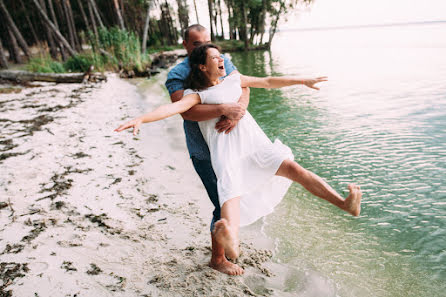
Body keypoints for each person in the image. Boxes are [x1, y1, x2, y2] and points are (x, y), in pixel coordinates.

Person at [115, 43, 363, 276]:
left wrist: (301, 80)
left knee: (296, 170)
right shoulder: (195, 95)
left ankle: (344, 204)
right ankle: (230, 247)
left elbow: (267, 81)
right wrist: (142, 119)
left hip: (256, 148)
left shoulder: (233, 79)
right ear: (202, 66)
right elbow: (172, 109)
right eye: (215, 57)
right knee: (230, 205)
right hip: (229, 158)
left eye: (220, 55)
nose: (221, 59)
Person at [164, 24, 250, 275]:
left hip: (231, 143)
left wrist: (238, 112)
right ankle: (218, 259)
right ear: (185, 46)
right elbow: (186, 110)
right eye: (195, 43)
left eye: (206, 41)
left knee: (232, 198)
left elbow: (243, 86)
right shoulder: (177, 74)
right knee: (220, 201)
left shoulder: (221, 60)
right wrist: (224, 109)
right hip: (204, 151)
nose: (202, 47)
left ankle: (226, 243)